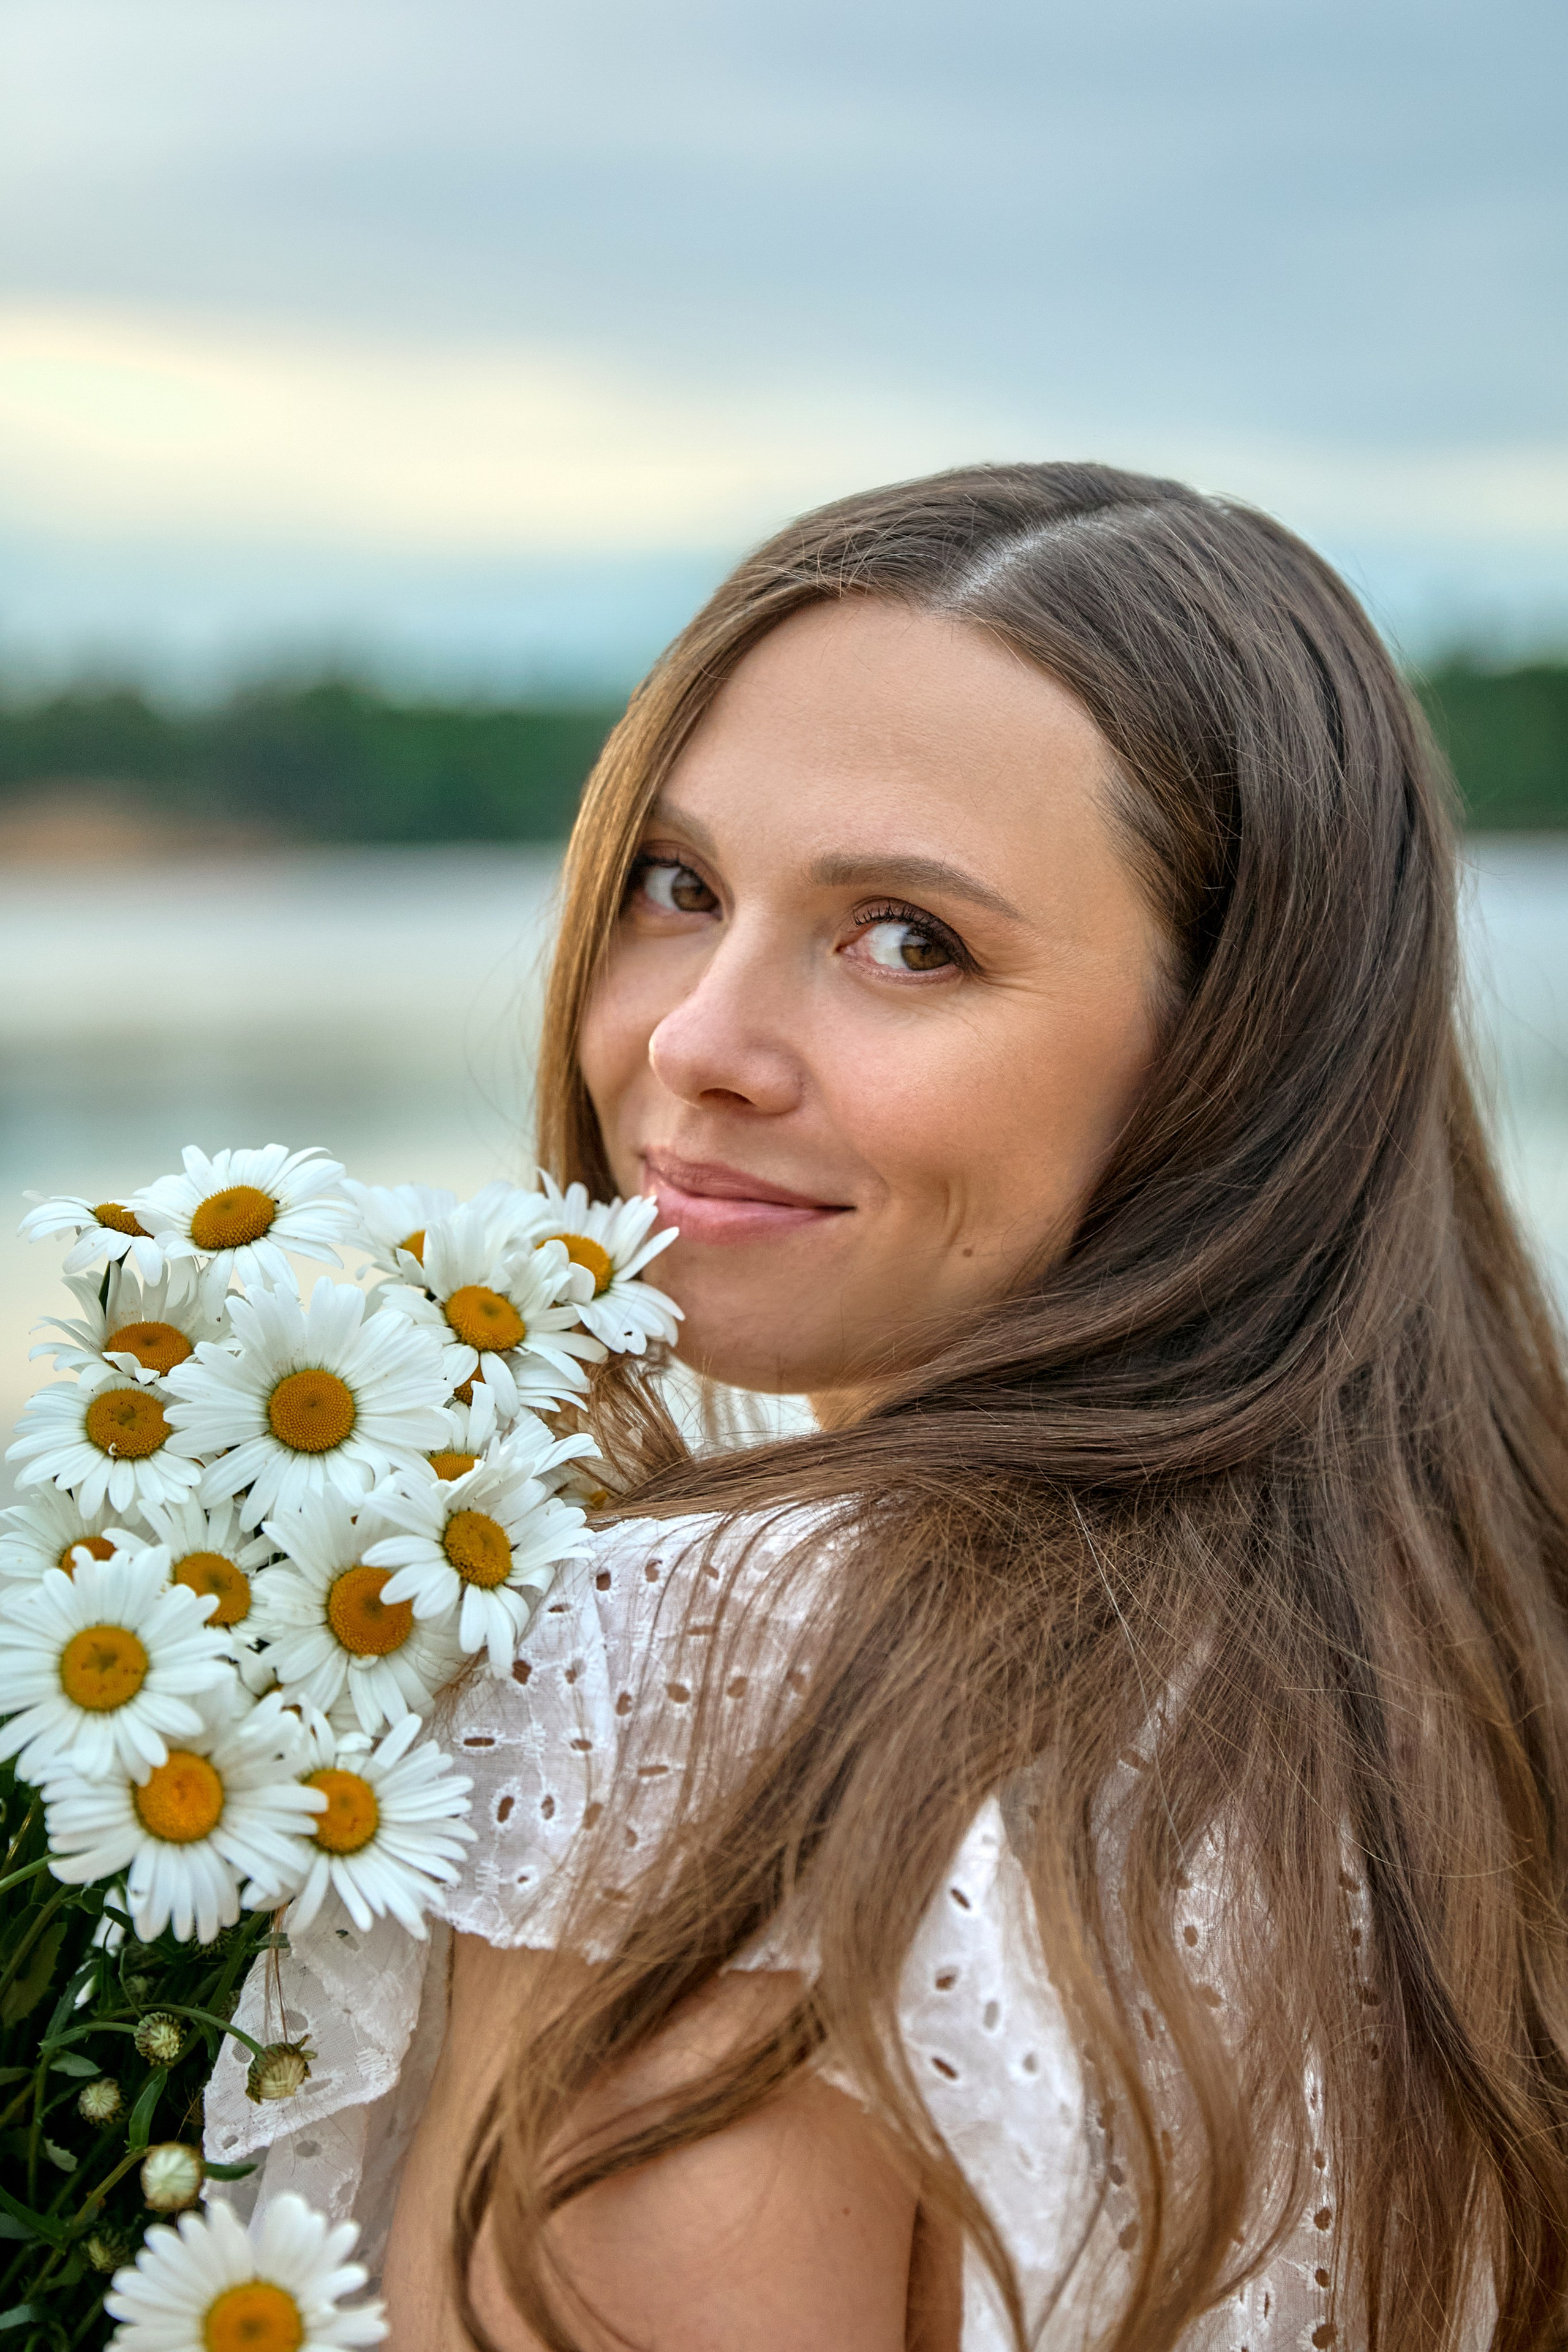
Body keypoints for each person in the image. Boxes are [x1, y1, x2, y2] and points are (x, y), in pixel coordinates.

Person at [211, 462, 1568, 2350]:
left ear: (1238, 1062)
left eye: (908, 941)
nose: (693, 1042)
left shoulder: (706, 1658)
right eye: (676, 887)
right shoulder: (1468, 1649)